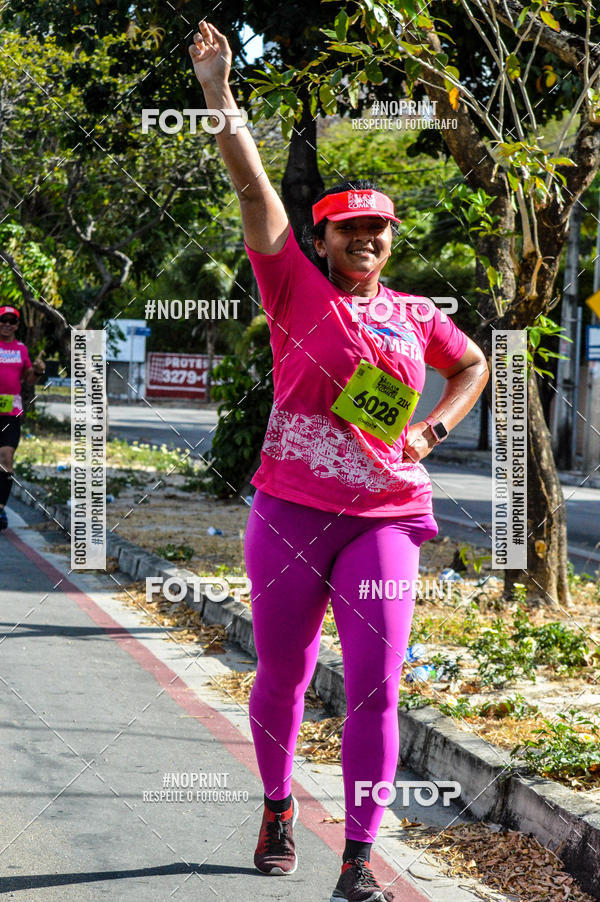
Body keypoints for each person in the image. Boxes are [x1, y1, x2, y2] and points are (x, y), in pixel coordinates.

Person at [190, 22, 488, 902]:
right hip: (289, 510)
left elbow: (472, 363)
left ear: (392, 241)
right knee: (281, 673)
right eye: (351, 227)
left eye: (380, 228)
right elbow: (251, 186)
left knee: (376, 686)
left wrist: (431, 432)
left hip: (387, 514)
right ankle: (279, 806)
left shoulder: (417, 312)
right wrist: (216, 92)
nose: (368, 237)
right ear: (322, 239)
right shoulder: (291, 288)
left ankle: (359, 855)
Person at [0, 306, 46, 530]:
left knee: (5, 458)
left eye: (12, 321)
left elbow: (29, 379)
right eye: (3, 320)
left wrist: (37, 370)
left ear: (17, 325)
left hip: (11, 412)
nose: (7, 324)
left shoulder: (21, 349)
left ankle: (0, 509)